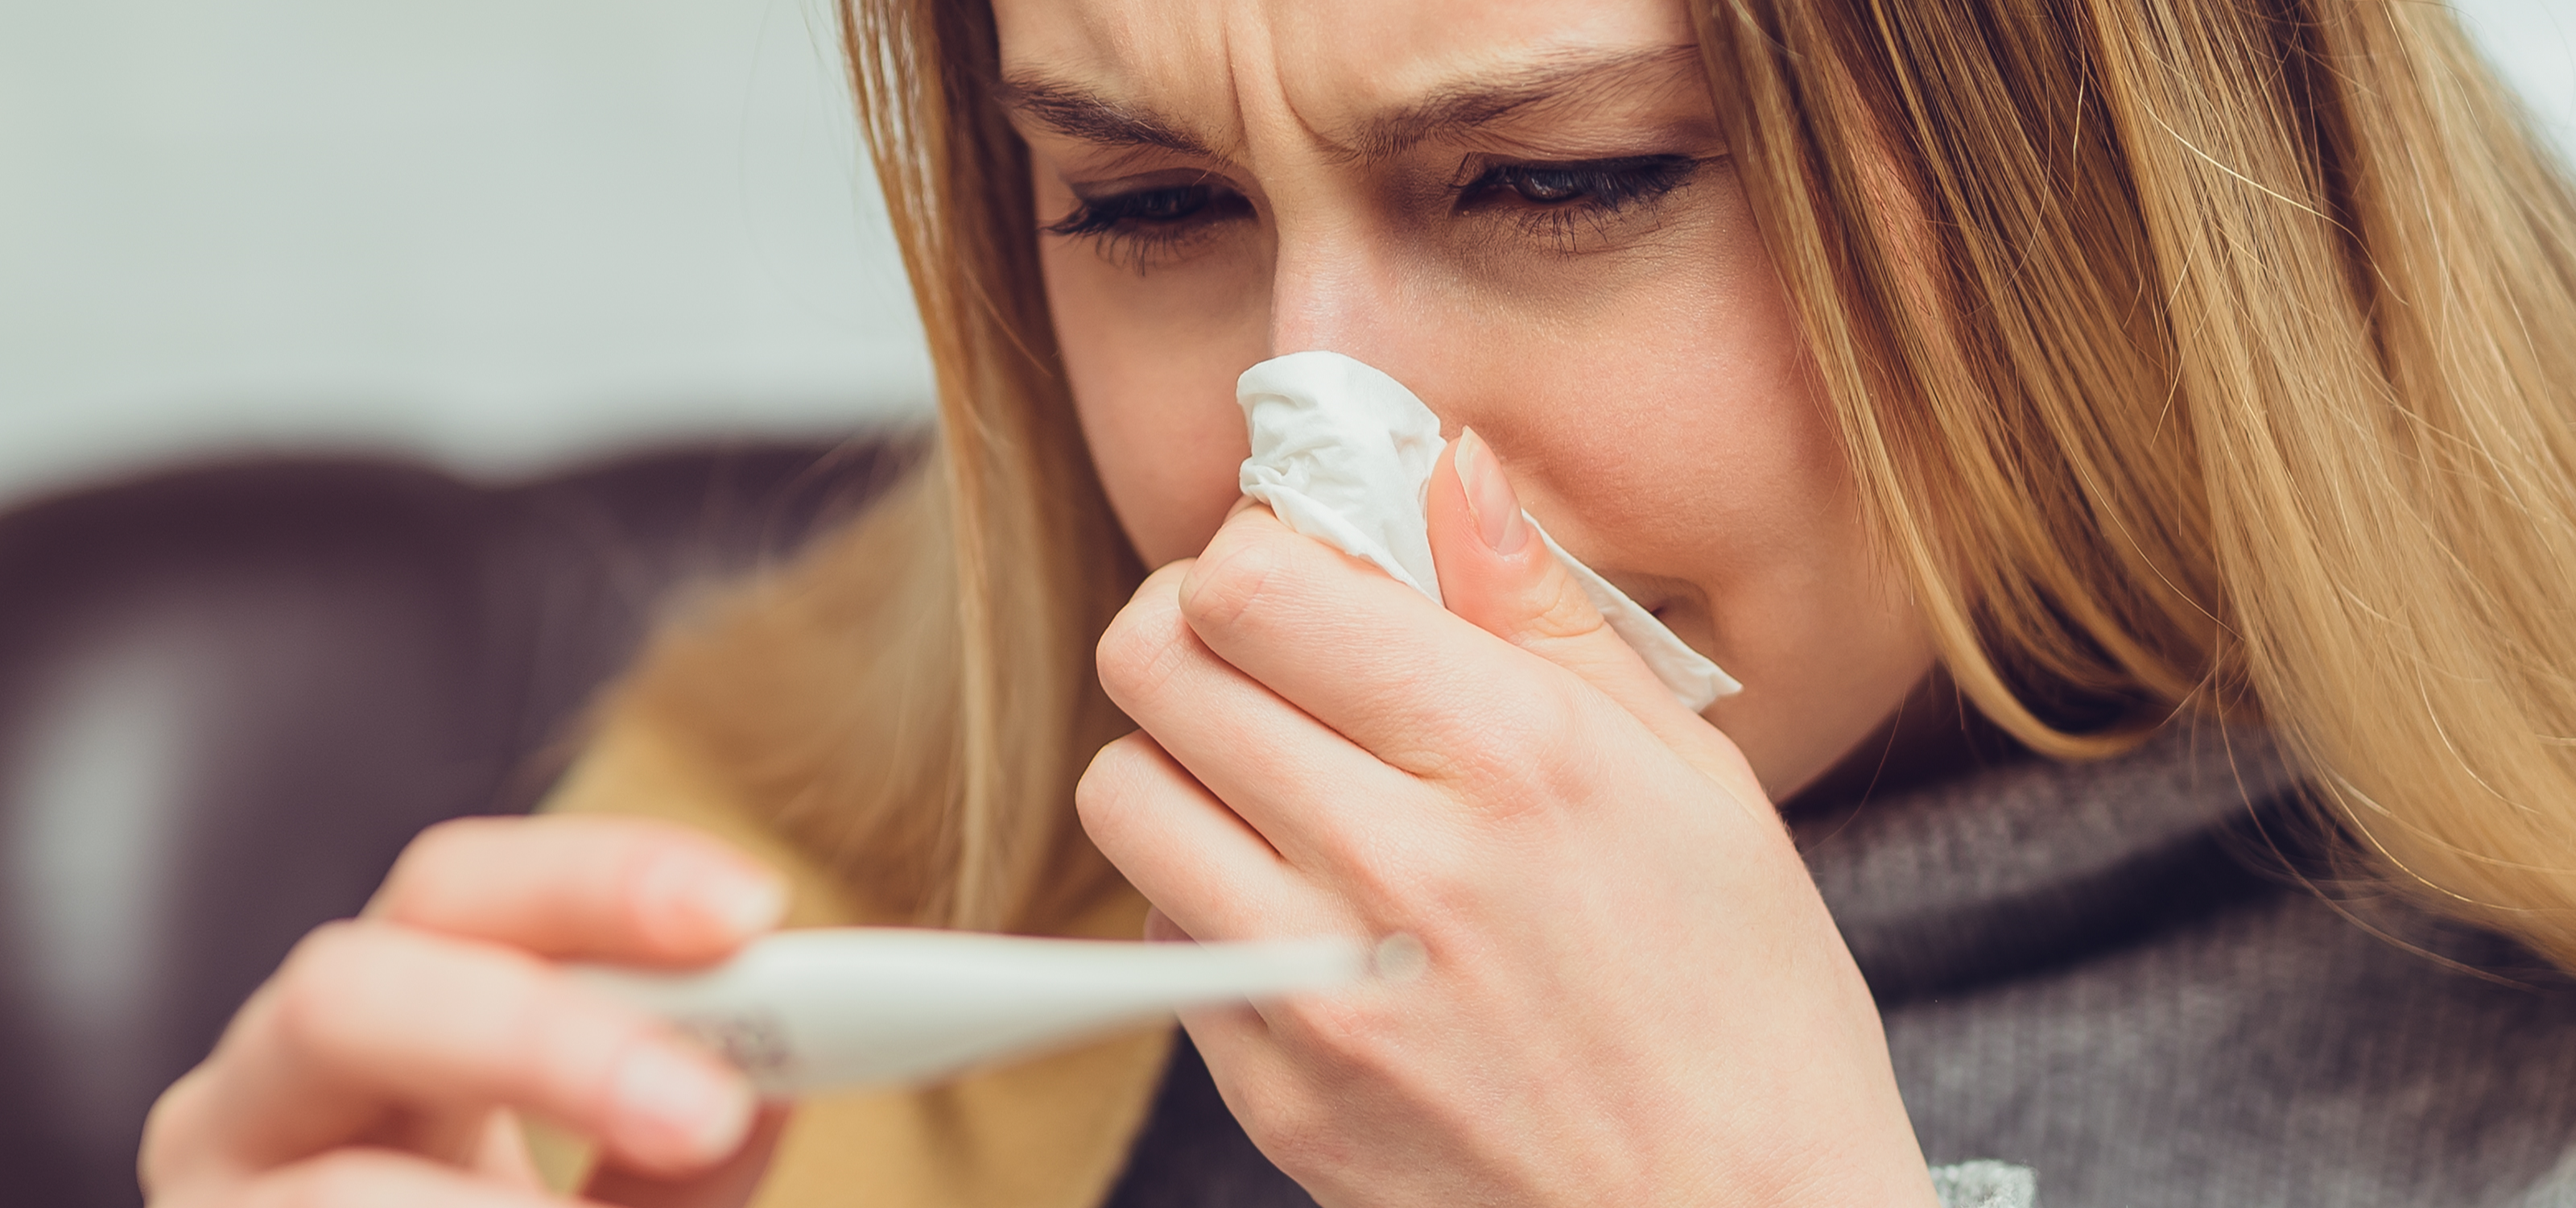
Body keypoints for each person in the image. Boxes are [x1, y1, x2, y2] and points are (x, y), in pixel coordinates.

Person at [138, 0, 2576, 1204]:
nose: (1316, 454)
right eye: (1145, 207)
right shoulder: (815, 881)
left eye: (1560, 185)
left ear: (2119, 143)